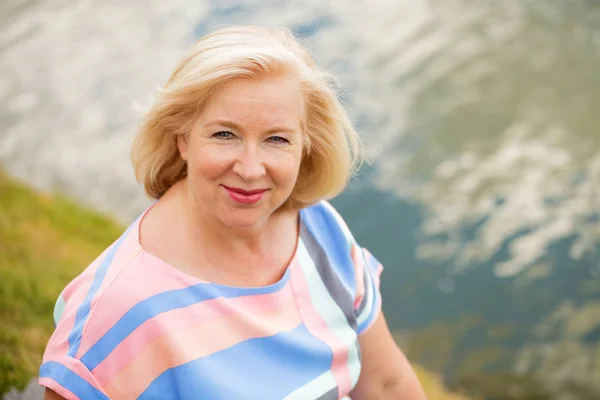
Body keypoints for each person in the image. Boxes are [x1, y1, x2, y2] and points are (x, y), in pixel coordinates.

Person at [39, 26, 426, 400]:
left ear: (306, 147)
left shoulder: (319, 226)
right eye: (225, 134)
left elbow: (387, 386)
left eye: (277, 139)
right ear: (182, 139)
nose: (250, 168)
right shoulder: (117, 313)